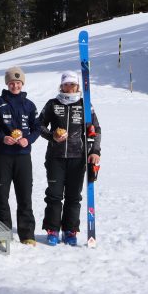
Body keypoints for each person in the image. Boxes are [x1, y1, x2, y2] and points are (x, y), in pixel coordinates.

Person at [37, 70, 102, 246]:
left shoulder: (85, 105)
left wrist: (95, 151)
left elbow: (95, 130)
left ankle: (70, 230)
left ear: (77, 86)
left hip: (78, 157)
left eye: (72, 84)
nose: (69, 88)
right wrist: (52, 136)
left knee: (74, 196)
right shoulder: (53, 104)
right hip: (55, 157)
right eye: (66, 84)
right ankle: (52, 229)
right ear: (61, 86)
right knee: (54, 195)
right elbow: (39, 125)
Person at [0, 66, 40, 245]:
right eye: (12, 83)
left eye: (18, 82)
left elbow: (37, 128)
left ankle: (27, 234)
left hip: (23, 156)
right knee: (1, 196)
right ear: (7, 84)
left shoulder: (29, 105)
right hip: (2, 156)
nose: (15, 86)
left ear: (22, 84)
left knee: (25, 196)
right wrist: (2, 138)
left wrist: (28, 139)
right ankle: (3, 232)